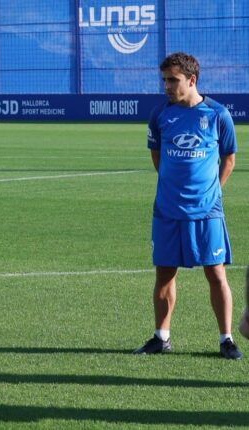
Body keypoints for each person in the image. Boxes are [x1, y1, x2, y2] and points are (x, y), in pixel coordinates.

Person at [135, 52, 241, 359]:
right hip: (168, 209)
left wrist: (212, 191)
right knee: (164, 275)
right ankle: (161, 336)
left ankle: (226, 339)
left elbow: (229, 158)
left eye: (173, 80)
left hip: (207, 210)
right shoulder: (160, 115)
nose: (167, 86)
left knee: (216, 274)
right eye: (165, 80)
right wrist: (173, 186)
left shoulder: (218, 114)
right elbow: (157, 156)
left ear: (191, 80)